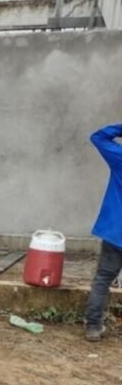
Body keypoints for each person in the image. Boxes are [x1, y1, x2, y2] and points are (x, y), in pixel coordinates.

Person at [85, 122, 122, 342]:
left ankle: (93, 327)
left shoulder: (120, 158)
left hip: (115, 234)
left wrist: (120, 128)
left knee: (103, 279)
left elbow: (97, 137)